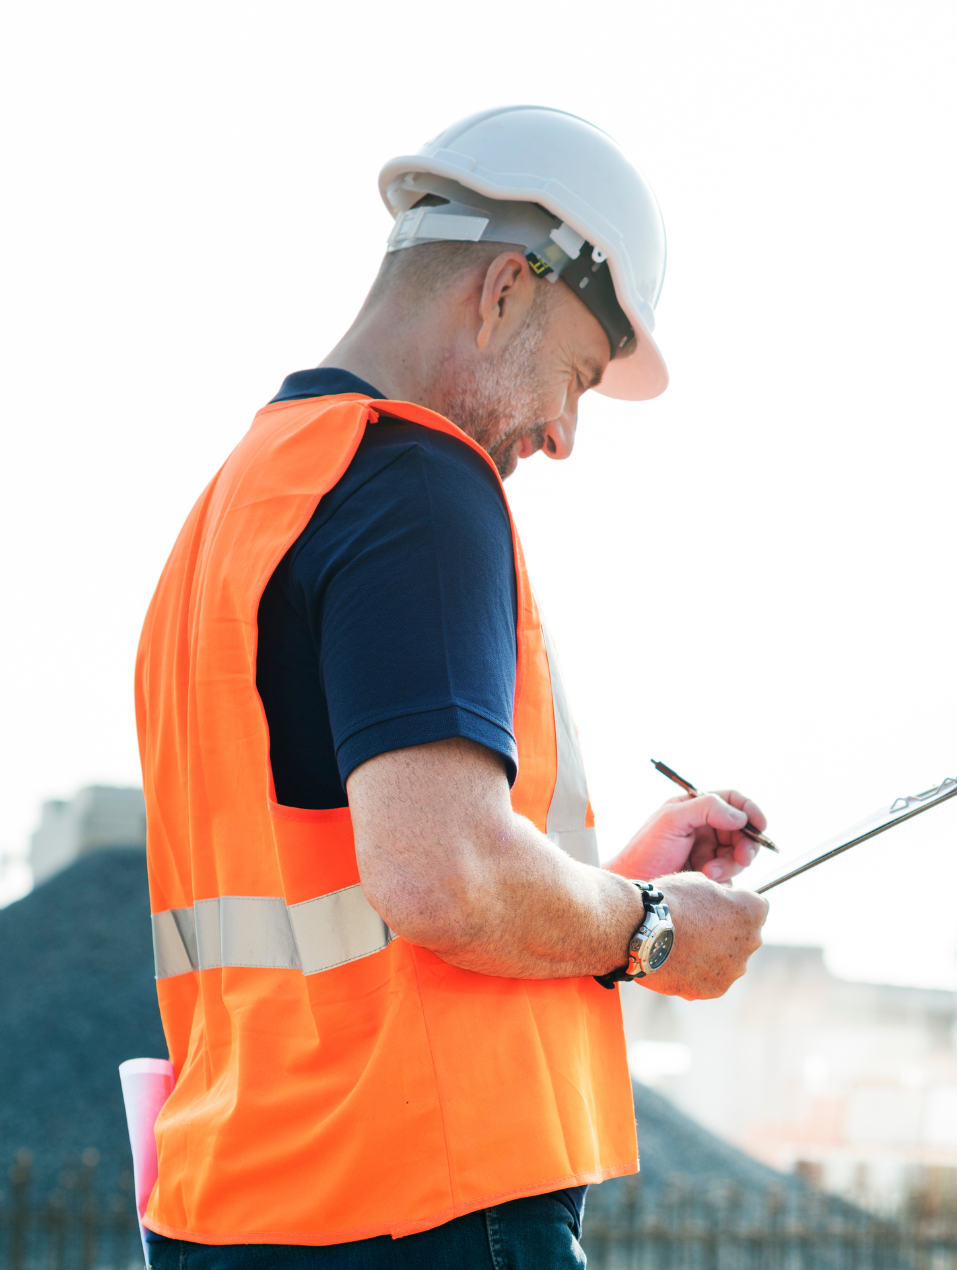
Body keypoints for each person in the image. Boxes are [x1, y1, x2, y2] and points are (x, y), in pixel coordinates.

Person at [132, 106, 769, 1266]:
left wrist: (609, 884)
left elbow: (368, 887)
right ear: (505, 291)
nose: (565, 436)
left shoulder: (245, 500)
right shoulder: (418, 477)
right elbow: (442, 876)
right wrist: (658, 930)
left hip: (243, 1201)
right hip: (420, 1204)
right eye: (577, 374)